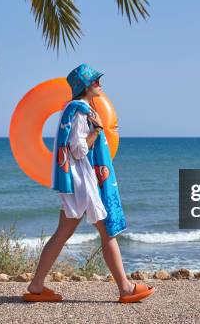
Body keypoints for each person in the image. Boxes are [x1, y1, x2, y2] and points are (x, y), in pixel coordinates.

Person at [22, 64, 155, 303]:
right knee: (107, 232)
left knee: (62, 233)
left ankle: (37, 285)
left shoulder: (72, 109)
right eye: (95, 81)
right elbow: (78, 149)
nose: (99, 83)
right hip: (83, 184)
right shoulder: (81, 112)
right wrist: (97, 129)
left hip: (75, 183)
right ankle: (125, 288)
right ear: (85, 86)